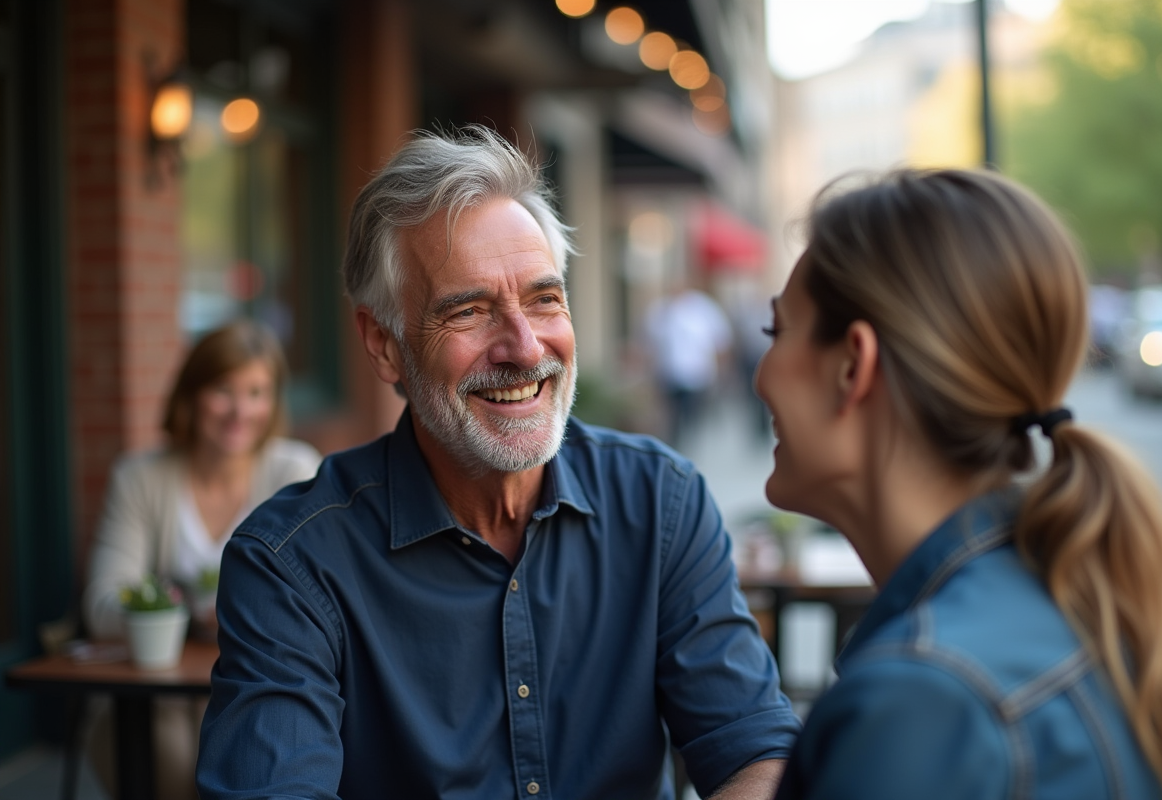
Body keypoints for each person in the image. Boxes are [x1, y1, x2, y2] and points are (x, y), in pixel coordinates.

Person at [197, 126, 799, 800]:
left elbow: (759, 752)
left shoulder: (662, 502)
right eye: (470, 310)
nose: (523, 346)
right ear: (385, 344)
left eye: (544, 299)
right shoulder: (291, 564)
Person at [757, 169, 1162, 799]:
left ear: (853, 365)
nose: (760, 377)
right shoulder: (1062, 597)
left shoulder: (919, 703)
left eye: (777, 332)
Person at [82, 319, 322, 799]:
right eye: (223, 390)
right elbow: (101, 605)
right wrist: (191, 614)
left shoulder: (295, 471)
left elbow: (319, 600)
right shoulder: (139, 478)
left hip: (266, 683)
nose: (240, 411)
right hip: (159, 699)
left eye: (257, 392)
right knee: (172, 760)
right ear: (191, 394)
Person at [643, 278, 733, 448]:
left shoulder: (704, 308)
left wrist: (722, 369)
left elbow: (720, 339)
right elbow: (650, 342)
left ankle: (687, 440)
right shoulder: (661, 310)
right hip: (669, 373)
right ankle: (676, 441)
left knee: (691, 411)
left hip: (696, 373)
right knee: (673, 413)